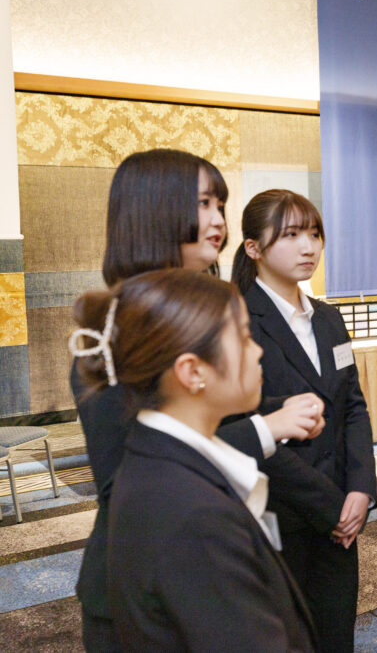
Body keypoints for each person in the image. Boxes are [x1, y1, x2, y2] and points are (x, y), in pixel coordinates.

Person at [72, 149, 329, 651]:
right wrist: (267, 427)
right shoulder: (122, 327)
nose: (218, 219)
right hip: (149, 579)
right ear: (153, 210)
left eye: (220, 203)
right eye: (204, 203)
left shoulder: (198, 303)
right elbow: (121, 475)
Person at [233, 189, 377, 652]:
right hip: (279, 516)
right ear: (253, 248)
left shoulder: (329, 319)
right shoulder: (235, 322)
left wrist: (360, 488)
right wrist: (329, 506)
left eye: (314, 233)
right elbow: (245, 426)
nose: (309, 246)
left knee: (337, 634)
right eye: (291, 235)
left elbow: (351, 406)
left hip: (341, 513)